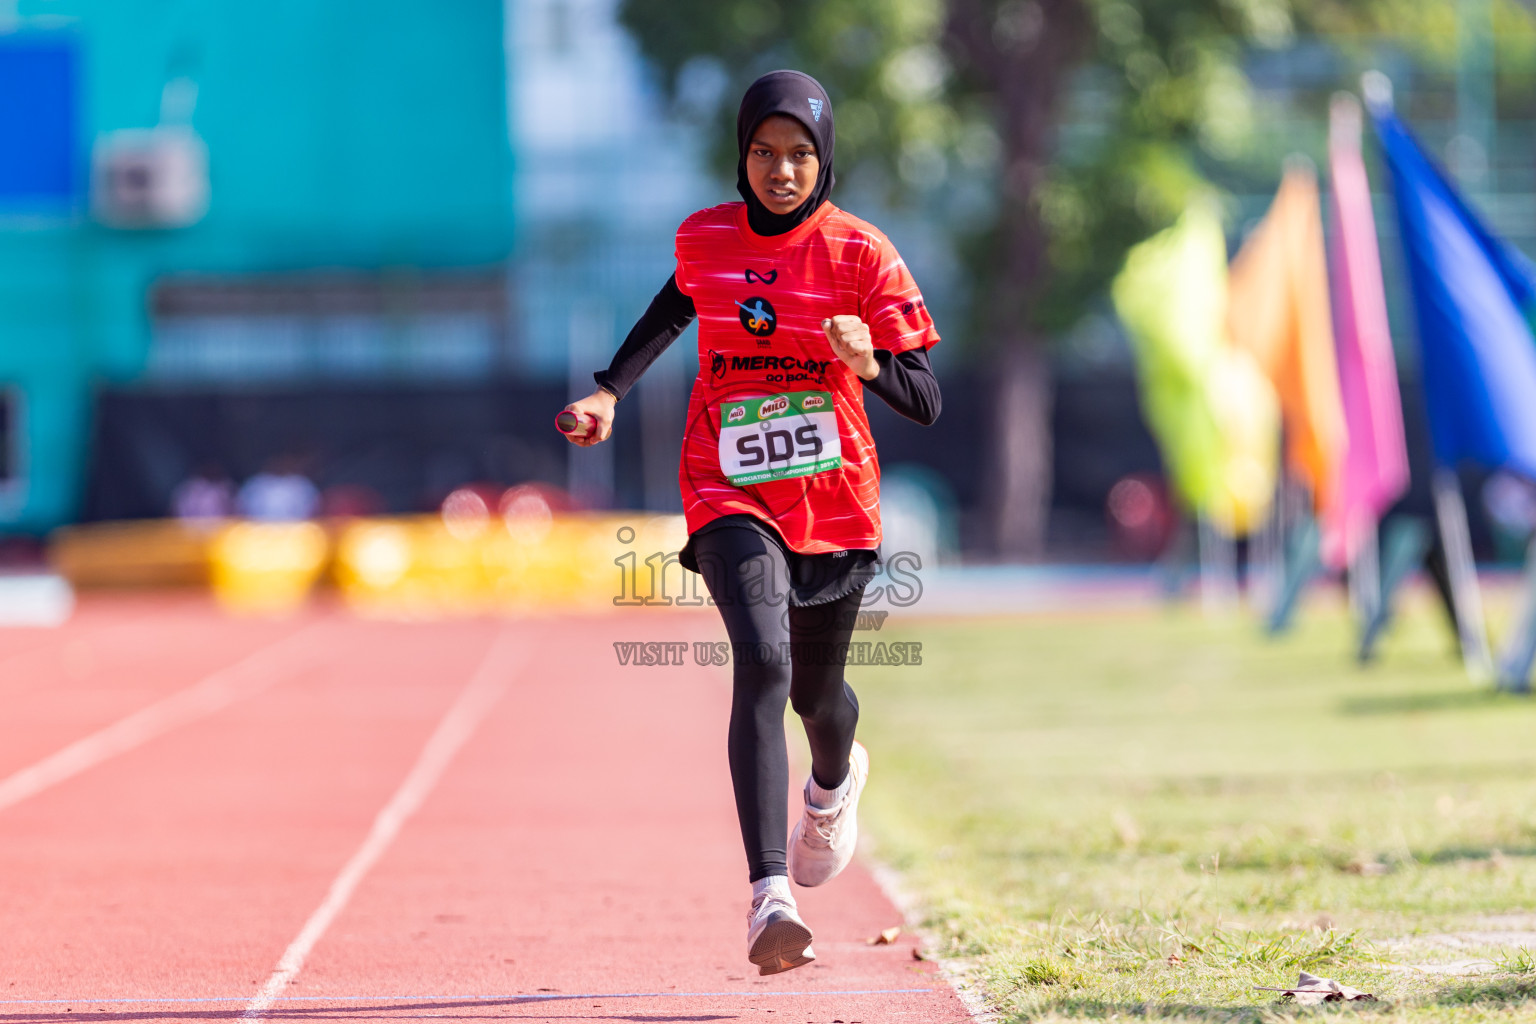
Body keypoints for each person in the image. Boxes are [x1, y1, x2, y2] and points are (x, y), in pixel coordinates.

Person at [561, 70, 942, 976]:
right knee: (763, 661)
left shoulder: (863, 255)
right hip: (728, 486)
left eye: (799, 154)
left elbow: (926, 398)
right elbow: (672, 308)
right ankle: (769, 895)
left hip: (837, 500)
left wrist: (872, 361)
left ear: (824, 159)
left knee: (820, 698)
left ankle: (833, 782)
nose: (781, 171)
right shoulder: (705, 239)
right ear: (741, 156)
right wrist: (610, 390)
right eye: (764, 153)